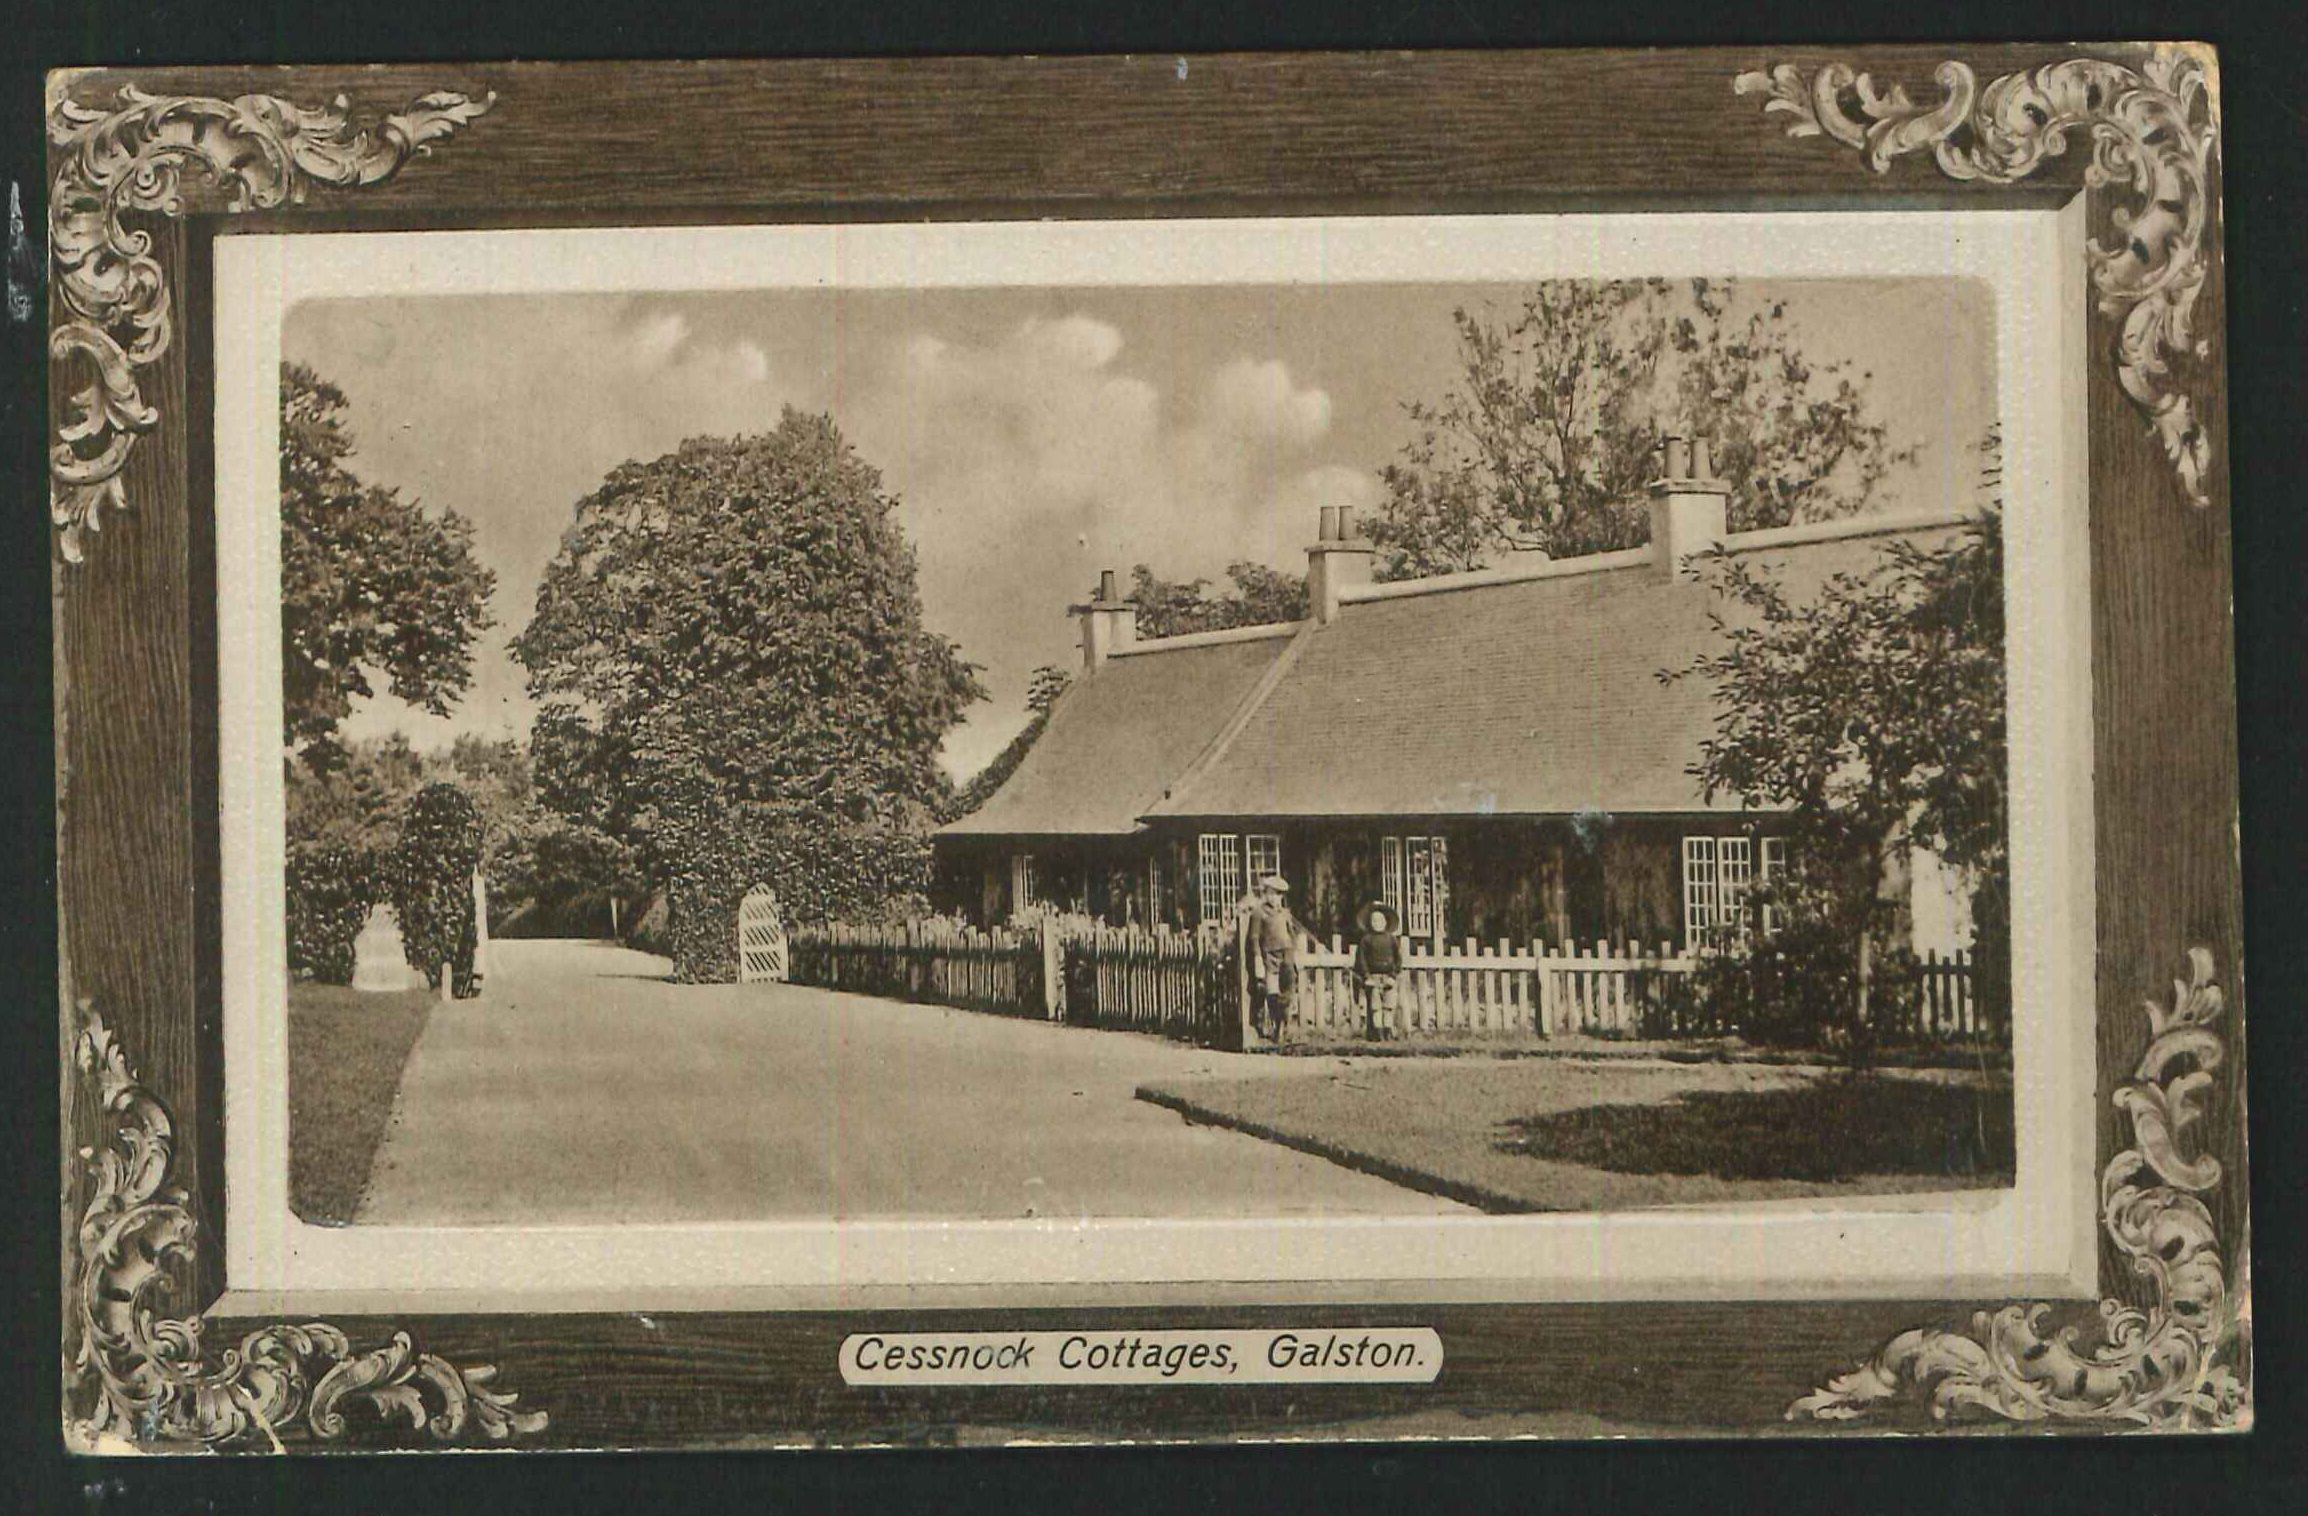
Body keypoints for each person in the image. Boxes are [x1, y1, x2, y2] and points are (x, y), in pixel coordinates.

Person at [1244, 874, 1305, 1044]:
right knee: (1271, 991)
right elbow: (1254, 938)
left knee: (1288, 990)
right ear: (1265, 894)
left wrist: (1294, 949)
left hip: (1286, 955)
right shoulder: (1259, 913)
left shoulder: (1285, 913)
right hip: (1269, 956)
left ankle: (1282, 1024)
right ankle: (1274, 1024)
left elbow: (1292, 934)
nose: (1274, 897)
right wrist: (1257, 958)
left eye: (1278, 894)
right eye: (1271, 893)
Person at [1353, 900, 1409, 1042]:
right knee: (1376, 1007)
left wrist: (1393, 975)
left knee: (1389, 1006)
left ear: (1385, 922)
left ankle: (1388, 1031)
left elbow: (1398, 960)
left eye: (1380, 920)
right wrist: (1367, 976)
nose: (1377, 922)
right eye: (1374, 920)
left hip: (1388, 977)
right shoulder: (1366, 940)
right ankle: (1378, 1034)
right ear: (1369, 922)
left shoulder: (1391, 939)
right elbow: (1362, 960)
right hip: (1374, 977)